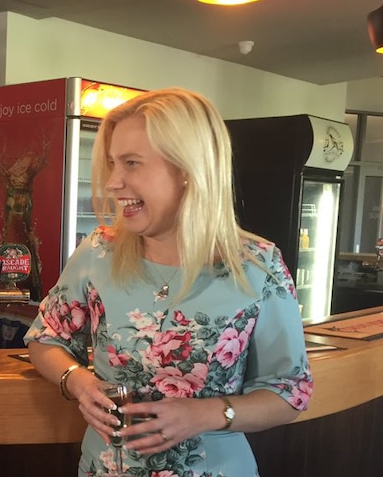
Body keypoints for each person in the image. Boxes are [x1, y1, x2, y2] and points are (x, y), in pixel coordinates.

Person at [25, 88, 313, 476]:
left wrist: (205, 414)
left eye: (131, 163)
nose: (113, 182)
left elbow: (289, 392)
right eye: (112, 164)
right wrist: (77, 381)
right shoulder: (98, 252)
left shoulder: (258, 266)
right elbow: (45, 339)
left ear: (188, 171)